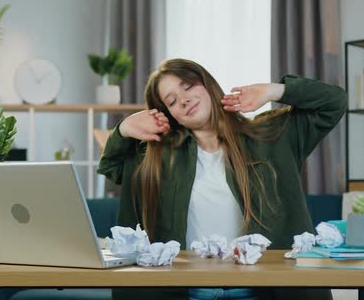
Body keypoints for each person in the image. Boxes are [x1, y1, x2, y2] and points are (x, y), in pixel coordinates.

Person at [98, 58, 347, 300]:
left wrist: (273, 91)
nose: (183, 100)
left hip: (264, 289)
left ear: (208, 85)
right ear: (169, 114)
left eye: (188, 86)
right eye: (172, 101)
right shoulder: (157, 155)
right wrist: (123, 129)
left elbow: (334, 102)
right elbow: (111, 166)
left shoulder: (271, 136)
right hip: (189, 291)